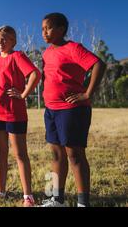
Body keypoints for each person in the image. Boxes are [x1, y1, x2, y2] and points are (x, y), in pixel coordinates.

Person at [40, 12, 106, 207]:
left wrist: (87, 93)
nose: (44, 32)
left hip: (71, 109)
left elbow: (98, 65)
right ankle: (57, 199)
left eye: (48, 28)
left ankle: (83, 203)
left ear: (61, 29)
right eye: (42, 29)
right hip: (51, 110)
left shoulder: (72, 48)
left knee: (74, 155)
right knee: (56, 154)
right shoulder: (46, 52)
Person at [0, 26, 40, 207]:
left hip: (15, 113)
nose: (0, 42)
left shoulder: (17, 57)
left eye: (4, 39)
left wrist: (23, 94)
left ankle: (28, 196)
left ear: (13, 41)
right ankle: (0, 192)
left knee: (20, 154)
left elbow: (35, 74)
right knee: (0, 153)